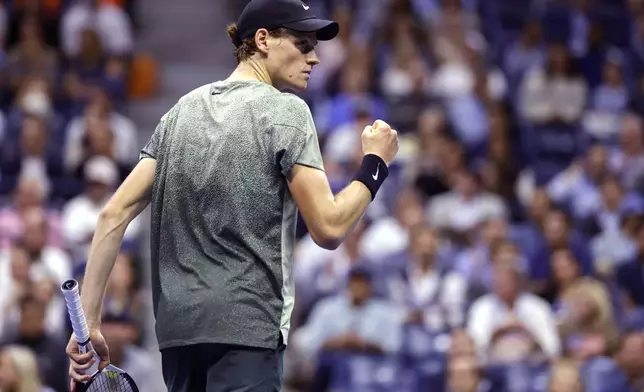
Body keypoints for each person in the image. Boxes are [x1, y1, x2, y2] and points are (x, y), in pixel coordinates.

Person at [65, 0, 400, 391]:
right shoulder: (286, 111)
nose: (316, 59)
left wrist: (89, 324)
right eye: (303, 44)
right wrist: (375, 164)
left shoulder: (180, 113)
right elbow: (328, 227)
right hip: (247, 330)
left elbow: (112, 214)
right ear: (263, 40)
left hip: (179, 337)